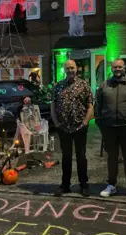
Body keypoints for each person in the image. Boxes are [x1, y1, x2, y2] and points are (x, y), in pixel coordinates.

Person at [95, 59, 126, 201]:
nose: (117, 69)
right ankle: (111, 184)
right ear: (111, 68)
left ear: (124, 68)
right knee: (112, 157)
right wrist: (101, 124)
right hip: (109, 128)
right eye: (114, 67)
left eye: (120, 67)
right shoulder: (105, 85)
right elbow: (97, 105)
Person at [51, 59, 93, 197]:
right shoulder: (58, 86)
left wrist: (86, 122)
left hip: (80, 127)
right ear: (64, 69)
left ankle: (83, 185)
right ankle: (65, 185)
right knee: (66, 157)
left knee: (81, 157)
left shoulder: (84, 85)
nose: (70, 70)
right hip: (64, 128)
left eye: (72, 68)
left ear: (76, 69)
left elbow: (90, 105)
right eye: (67, 68)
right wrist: (56, 123)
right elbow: (53, 105)